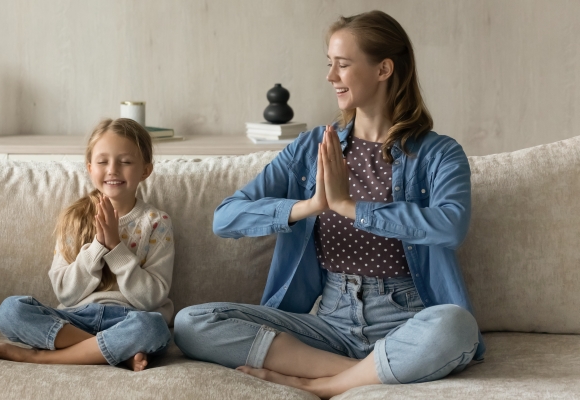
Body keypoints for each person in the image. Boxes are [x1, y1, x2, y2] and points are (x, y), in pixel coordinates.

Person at [174, 10, 484, 397]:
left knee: (457, 326)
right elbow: (225, 218)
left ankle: (323, 385)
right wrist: (310, 206)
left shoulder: (439, 153)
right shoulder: (311, 149)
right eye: (329, 64)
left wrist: (348, 205)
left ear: (384, 68)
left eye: (343, 65)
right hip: (329, 321)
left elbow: (450, 225)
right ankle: (364, 373)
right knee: (192, 322)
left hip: (407, 319)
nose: (330, 76)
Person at [0, 118, 174, 372]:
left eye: (125, 162)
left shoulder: (156, 222)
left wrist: (116, 248)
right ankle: (114, 353)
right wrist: (97, 247)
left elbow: (151, 298)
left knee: (155, 328)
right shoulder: (75, 217)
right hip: (74, 319)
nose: (113, 169)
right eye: (103, 162)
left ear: (145, 170)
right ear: (90, 167)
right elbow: (66, 293)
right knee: (10, 311)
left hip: (129, 320)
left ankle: (40, 357)